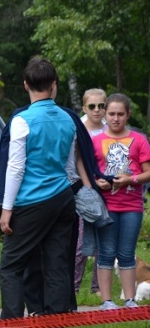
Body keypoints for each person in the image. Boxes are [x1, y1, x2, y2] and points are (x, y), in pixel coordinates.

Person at [0, 58, 78, 328]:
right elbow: (68, 166)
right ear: (54, 85)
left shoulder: (22, 120)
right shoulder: (69, 119)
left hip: (32, 201)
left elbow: (16, 167)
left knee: (11, 266)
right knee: (56, 264)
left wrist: (6, 209)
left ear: (26, 85)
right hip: (63, 198)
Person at [92, 93, 150, 310]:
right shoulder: (95, 140)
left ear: (128, 115)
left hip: (132, 206)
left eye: (120, 114)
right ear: (105, 115)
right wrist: (98, 182)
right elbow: (88, 170)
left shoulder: (139, 140)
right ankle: (106, 301)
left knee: (127, 253)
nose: (115, 118)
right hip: (104, 206)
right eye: (112, 114)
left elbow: (148, 172)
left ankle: (130, 299)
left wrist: (130, 180)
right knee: (106, 252)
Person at [74, 88, 107, 294]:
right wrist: (89, 187)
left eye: (101, 106)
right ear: (84, 107)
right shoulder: (78, 128)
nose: (97, 110)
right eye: (92, 106)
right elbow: (77, 160)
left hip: (108, 190)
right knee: (79, 244)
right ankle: (74, 287)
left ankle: (97, 288)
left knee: (103, 242)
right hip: (85, 191)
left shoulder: (109, 129)